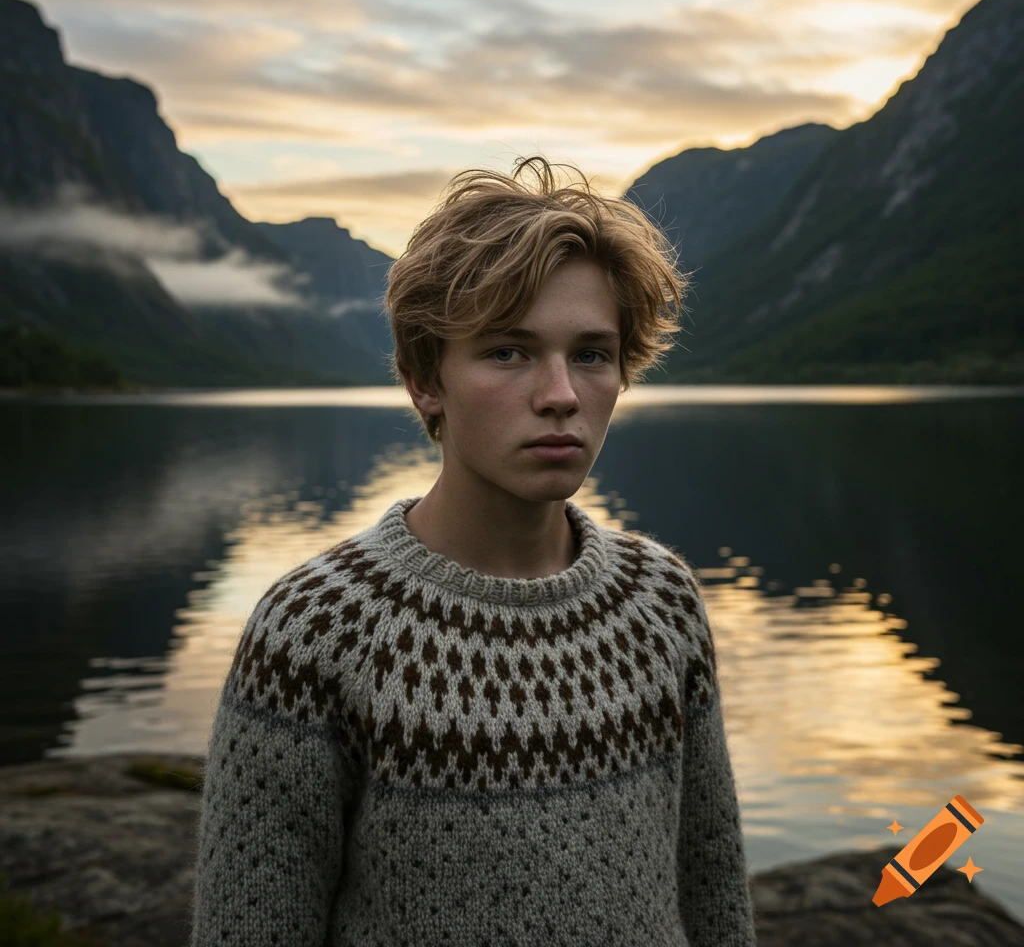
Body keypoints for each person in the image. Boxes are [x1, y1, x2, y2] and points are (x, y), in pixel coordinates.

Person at [188, 155, 757, 946]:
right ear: (425, 378)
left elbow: (714, 890)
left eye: (591, 353)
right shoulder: (314, 632)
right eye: (507, 352)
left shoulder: (662, 600)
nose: (560, 393)